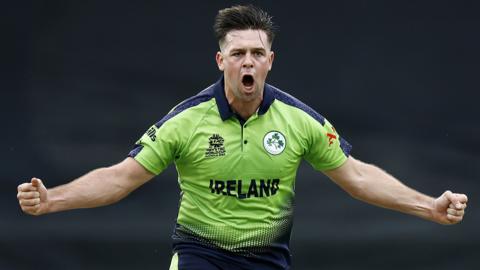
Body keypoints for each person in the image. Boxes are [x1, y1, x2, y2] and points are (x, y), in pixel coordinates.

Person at [17, 5, 468, 270]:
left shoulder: (298, 121)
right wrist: (52, 200)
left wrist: (429, 206)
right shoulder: (186, 121)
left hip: (268, 259)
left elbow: (358, 177)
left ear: (270, 61)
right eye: (238, 54)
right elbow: (121, 178)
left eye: (256, 53)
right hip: (199, 257)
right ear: (220, 60)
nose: (247, 62)